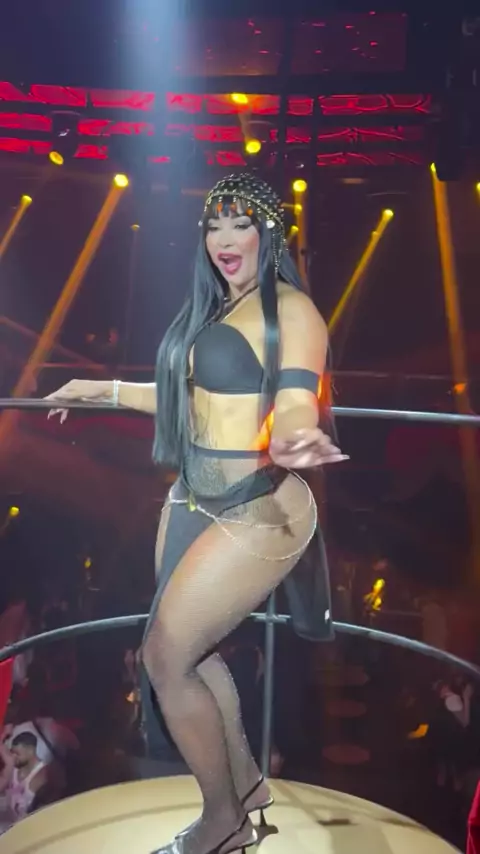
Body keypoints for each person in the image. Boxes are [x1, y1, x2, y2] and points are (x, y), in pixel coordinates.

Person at [45, 173, 346, 854]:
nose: (224, 239)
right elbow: (186, 399)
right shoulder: (217, 307)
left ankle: (223, 822)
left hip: (258, 505)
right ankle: (246, 786)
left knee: (164, 655)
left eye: (241, 224)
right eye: (214, 226)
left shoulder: (292, 310)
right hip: (190, 498)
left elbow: (296, 394)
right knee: (192, 648)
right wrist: (98, 388)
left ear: (270, 234)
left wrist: (295, 429)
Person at [0, 732, 49, 831]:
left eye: (17, 753)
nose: (13, 757)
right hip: (6, 826)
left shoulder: (43, 775)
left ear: (30, 751)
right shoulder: (13, 769)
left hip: (25, 830)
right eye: (12, 752)